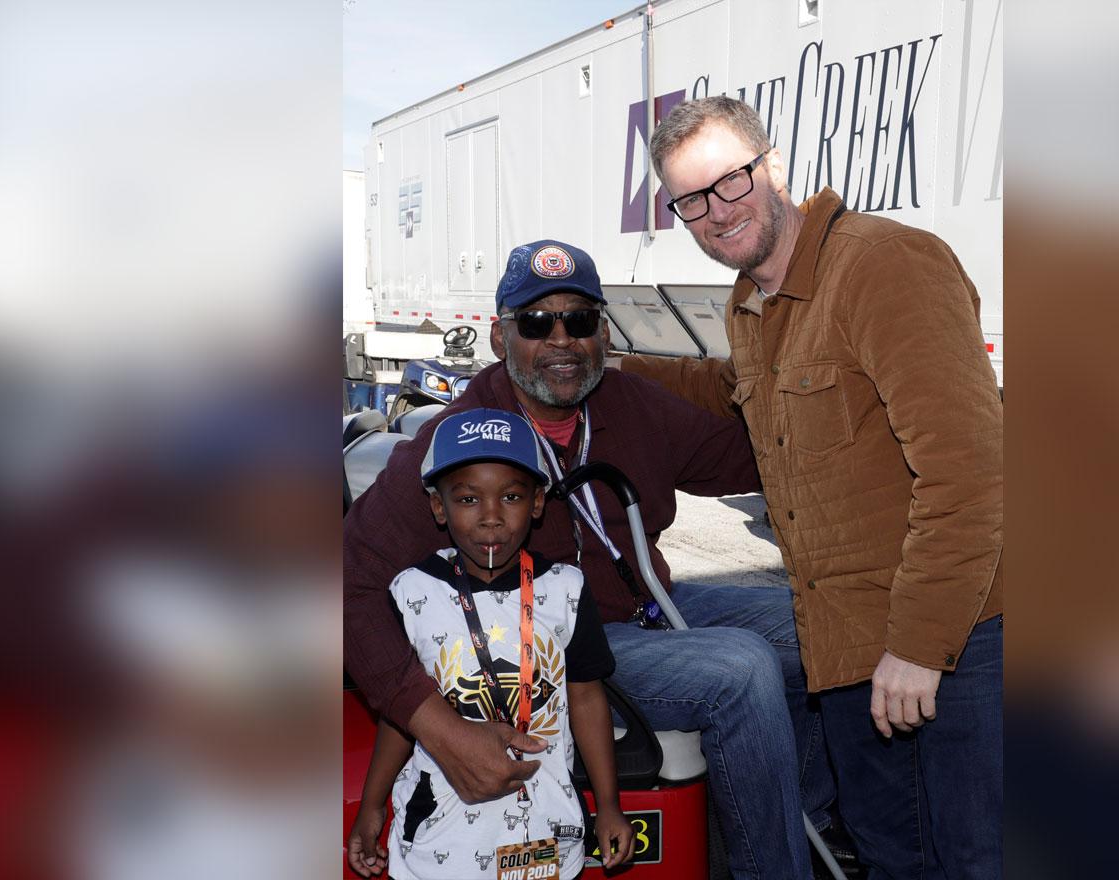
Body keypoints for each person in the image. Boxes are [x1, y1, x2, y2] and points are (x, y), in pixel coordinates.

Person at [344, 239, 833, 879]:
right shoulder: (457, 441)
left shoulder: (629, 404)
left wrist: (816, 392)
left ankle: (811, 818)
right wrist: (438, 726)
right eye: (536, 322)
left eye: (579, 320)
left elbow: (752, 456)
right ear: (499, 337)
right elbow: (346, 587)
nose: (561, 339)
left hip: (652, 605)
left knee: (822, 620)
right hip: (560, 645)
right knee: (741, 671)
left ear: (601, 331)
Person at [617, 96, 1004, 878]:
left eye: (731, 181)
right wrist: (609, 365)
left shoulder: (884, 265)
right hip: (851, 649)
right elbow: (742, 393)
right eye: (690, 200)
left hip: (948, 647)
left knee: (967, 860)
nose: (716, 212)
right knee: (894, 854)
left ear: (775, 166)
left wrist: (918, 647)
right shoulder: (753, 303)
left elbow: (972, 473)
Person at [346, 408, 633, 879]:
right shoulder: (411, 593)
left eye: (512, 496)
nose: (492, 518)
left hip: (544, 837)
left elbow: (586, 697)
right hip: (442, 842)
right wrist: (372, 804)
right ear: (438, 507)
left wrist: (608, 805)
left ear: (538, 503)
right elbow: (400, 714)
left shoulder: (567, 590)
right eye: (467, 499)